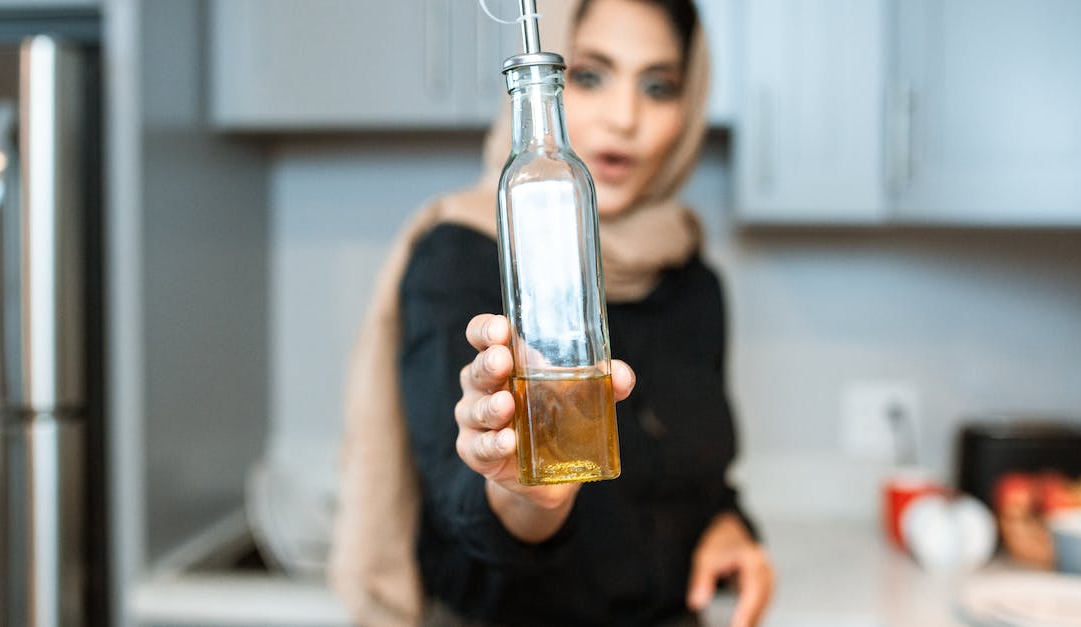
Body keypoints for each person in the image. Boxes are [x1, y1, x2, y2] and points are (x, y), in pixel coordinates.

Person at [329, 1, 774, 625]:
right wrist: (527, 500)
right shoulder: (458, 258)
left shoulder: (692, 280)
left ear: (690, 103)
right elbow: (462, 528)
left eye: (658, 86)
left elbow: (702, 479)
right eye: (589, 75)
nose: (625, 118)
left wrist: (727, 526)